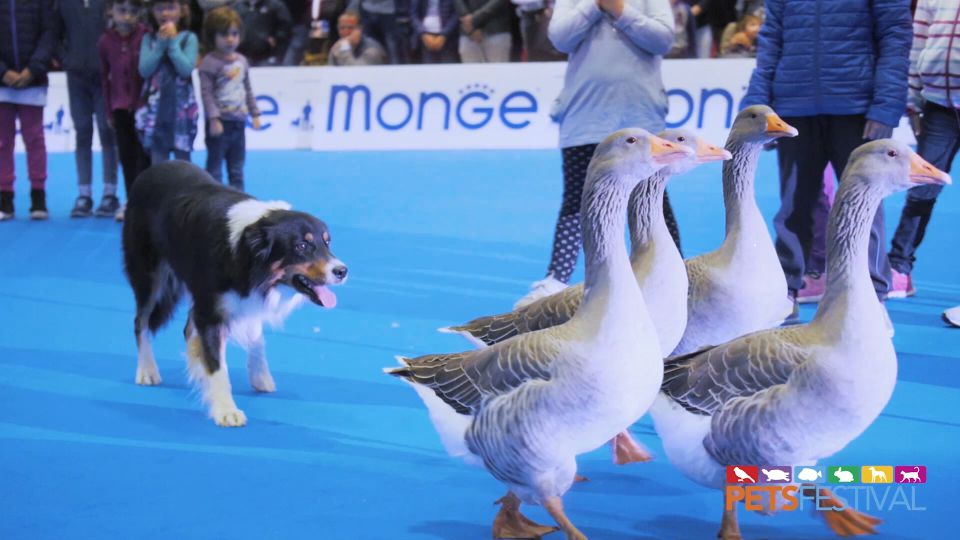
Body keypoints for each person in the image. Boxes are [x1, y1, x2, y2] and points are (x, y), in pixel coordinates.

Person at [742, 0, 912, 311]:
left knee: (862, 207)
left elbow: (895, 36)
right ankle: (786, 291)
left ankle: (871, 295)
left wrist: (886, 105)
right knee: (794, 206)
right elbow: (771, 41)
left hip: (857, 109)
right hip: (794, 107)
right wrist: (758, 105)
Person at [514, 0, 674, 308]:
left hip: (640, 116)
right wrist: (595, 5)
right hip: (584, 117)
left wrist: (621, 11)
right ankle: (556, 280)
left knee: (652, 201)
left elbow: (663, 39)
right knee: (577, 201)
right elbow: (560, 38)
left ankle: (672, 279)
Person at [887, 0, 960, 299]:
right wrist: (912, 99)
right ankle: (899, 267)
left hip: (940, 105)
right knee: (920, 189)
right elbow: (917, 43)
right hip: (938, 107)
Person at [58, 0, 122, 218]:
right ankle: (83, 195)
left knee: (107, 132)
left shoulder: (108, 3)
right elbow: (54, 33)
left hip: (105, 77)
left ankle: (110, 193)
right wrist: (67, 59)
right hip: (76, 77)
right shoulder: (63, 3)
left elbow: (119, 30)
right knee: (82, 132)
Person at [0, 0, 56, 221]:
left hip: (33, 79)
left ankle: (38, 197)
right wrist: (3, 72)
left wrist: (33, 69)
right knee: (2, 142)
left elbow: (49, 33)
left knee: (35, 140)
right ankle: (5, 198)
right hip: (2, 83)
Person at [99, 0, 151, 221]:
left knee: (144, 157)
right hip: (120, 107)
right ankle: (131, 200)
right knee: (127, 157)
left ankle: (148, 203)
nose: (127, 17)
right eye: (122, 11)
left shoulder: (146, 36)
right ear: (111, 11)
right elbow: (105, 79)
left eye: (133, 11)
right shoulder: (105, 41)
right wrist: (109, 110)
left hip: (144, 108)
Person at [199, 6, 261, 190]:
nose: (230, 39)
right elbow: (206, 93)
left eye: (234, 34)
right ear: (212, 36)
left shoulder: (242, 61)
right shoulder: (209, 63)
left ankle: (239, 198)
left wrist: (254, 112)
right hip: (220, 124)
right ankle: (213, 200)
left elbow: (247, 88)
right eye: (224, 34)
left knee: (237, 167)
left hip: (239, 123)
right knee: (214, 168)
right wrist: (214, 118)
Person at [137, 0, 199, 164]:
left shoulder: (189, 38)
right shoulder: (148, 39)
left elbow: (186, 69)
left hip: (182, 109)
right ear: (152, 12)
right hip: (155, 110)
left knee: (183, 161)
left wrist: (172, 44)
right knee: (158, 161)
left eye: (171, 8)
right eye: (159, 8)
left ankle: (185, 183)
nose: (165, 13)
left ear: (182, 11)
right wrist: (159, 46)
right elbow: (144, 70)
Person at [234, 0, 292, 66]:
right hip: (241, 54)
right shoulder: (237, 6)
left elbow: (285, 25)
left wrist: (276, 38)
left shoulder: (276, 6)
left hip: (267, 55)